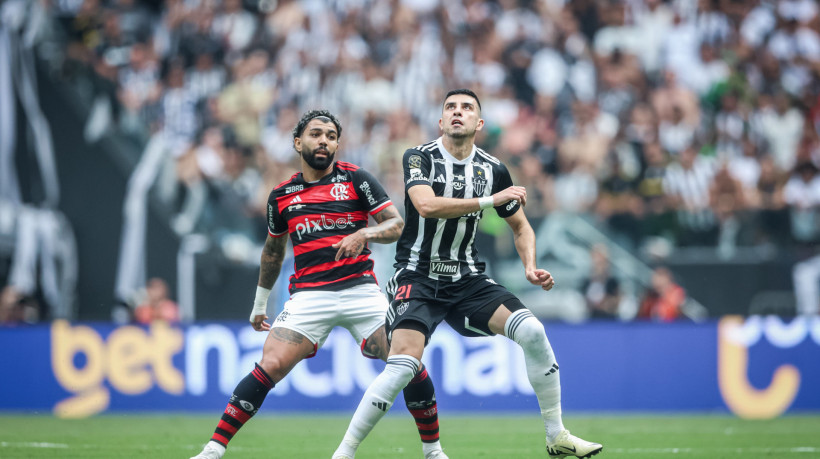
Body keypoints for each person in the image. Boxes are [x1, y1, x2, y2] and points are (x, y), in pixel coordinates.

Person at [332, 90, 603, 459]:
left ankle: (556, 436)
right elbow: (425, 206)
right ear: (441, 121)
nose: (457, 112)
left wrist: (529, 265)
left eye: (467, 108)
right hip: (418, 276)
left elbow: (521, 227)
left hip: (467, 279)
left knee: (533, 331)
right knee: (403, 366)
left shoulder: (493, 169)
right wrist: (491, 200)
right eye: (450, 108)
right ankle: (344, 453)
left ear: (480, 124)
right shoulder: (419, 157)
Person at [191, 110, 447, 459]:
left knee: (408, 359)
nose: (324, 140)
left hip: (361, 291)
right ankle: (213, 449)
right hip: (309, 296)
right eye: (315, 134)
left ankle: (432, 451)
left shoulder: (357, 179)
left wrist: (365, 232)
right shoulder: (282, 195)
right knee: (272, 364)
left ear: (337, 144)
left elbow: (395, 224)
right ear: (298, 142)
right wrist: (259, 304)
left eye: (330, 135)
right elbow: (272, 252)